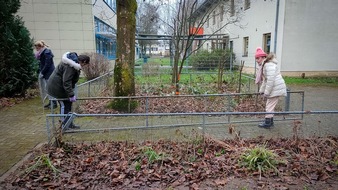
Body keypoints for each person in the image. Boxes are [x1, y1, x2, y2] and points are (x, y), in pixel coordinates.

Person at [47, 52, 90, 129]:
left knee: (68, 104)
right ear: (83, 62)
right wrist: (71, 94)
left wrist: (71, 93)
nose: (85, 66)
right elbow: (66, 81)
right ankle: (64, 126)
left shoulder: (74, 64)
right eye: (86, 64)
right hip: (57, 88)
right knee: (64, 105)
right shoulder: (70, 67)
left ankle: (69, 123)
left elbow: (70, 80)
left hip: (61, 87)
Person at [255, 47, 287, 128]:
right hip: (275, 87)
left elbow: (270, 80)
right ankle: (270, 122)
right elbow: (266, 80)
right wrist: (261, 90)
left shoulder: (268, 65)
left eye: (258, 58)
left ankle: (268, 123)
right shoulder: (266, 65)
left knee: (269, 105)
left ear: (263, 57)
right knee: (270, 105)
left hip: (275, 88)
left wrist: (266, 92)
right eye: (256, 58)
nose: (257, 60)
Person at [34, 40, 57, 108]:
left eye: (37, 48)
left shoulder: (47, 52)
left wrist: (42, 72)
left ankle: (54, 103)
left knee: (50, 88)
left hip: (49, 73)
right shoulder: (42, 52)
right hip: (46, 73)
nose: (36, 49)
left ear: (40, 46)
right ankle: (51, 102)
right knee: (48, 88)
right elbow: (42, 63)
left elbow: (47, 64)